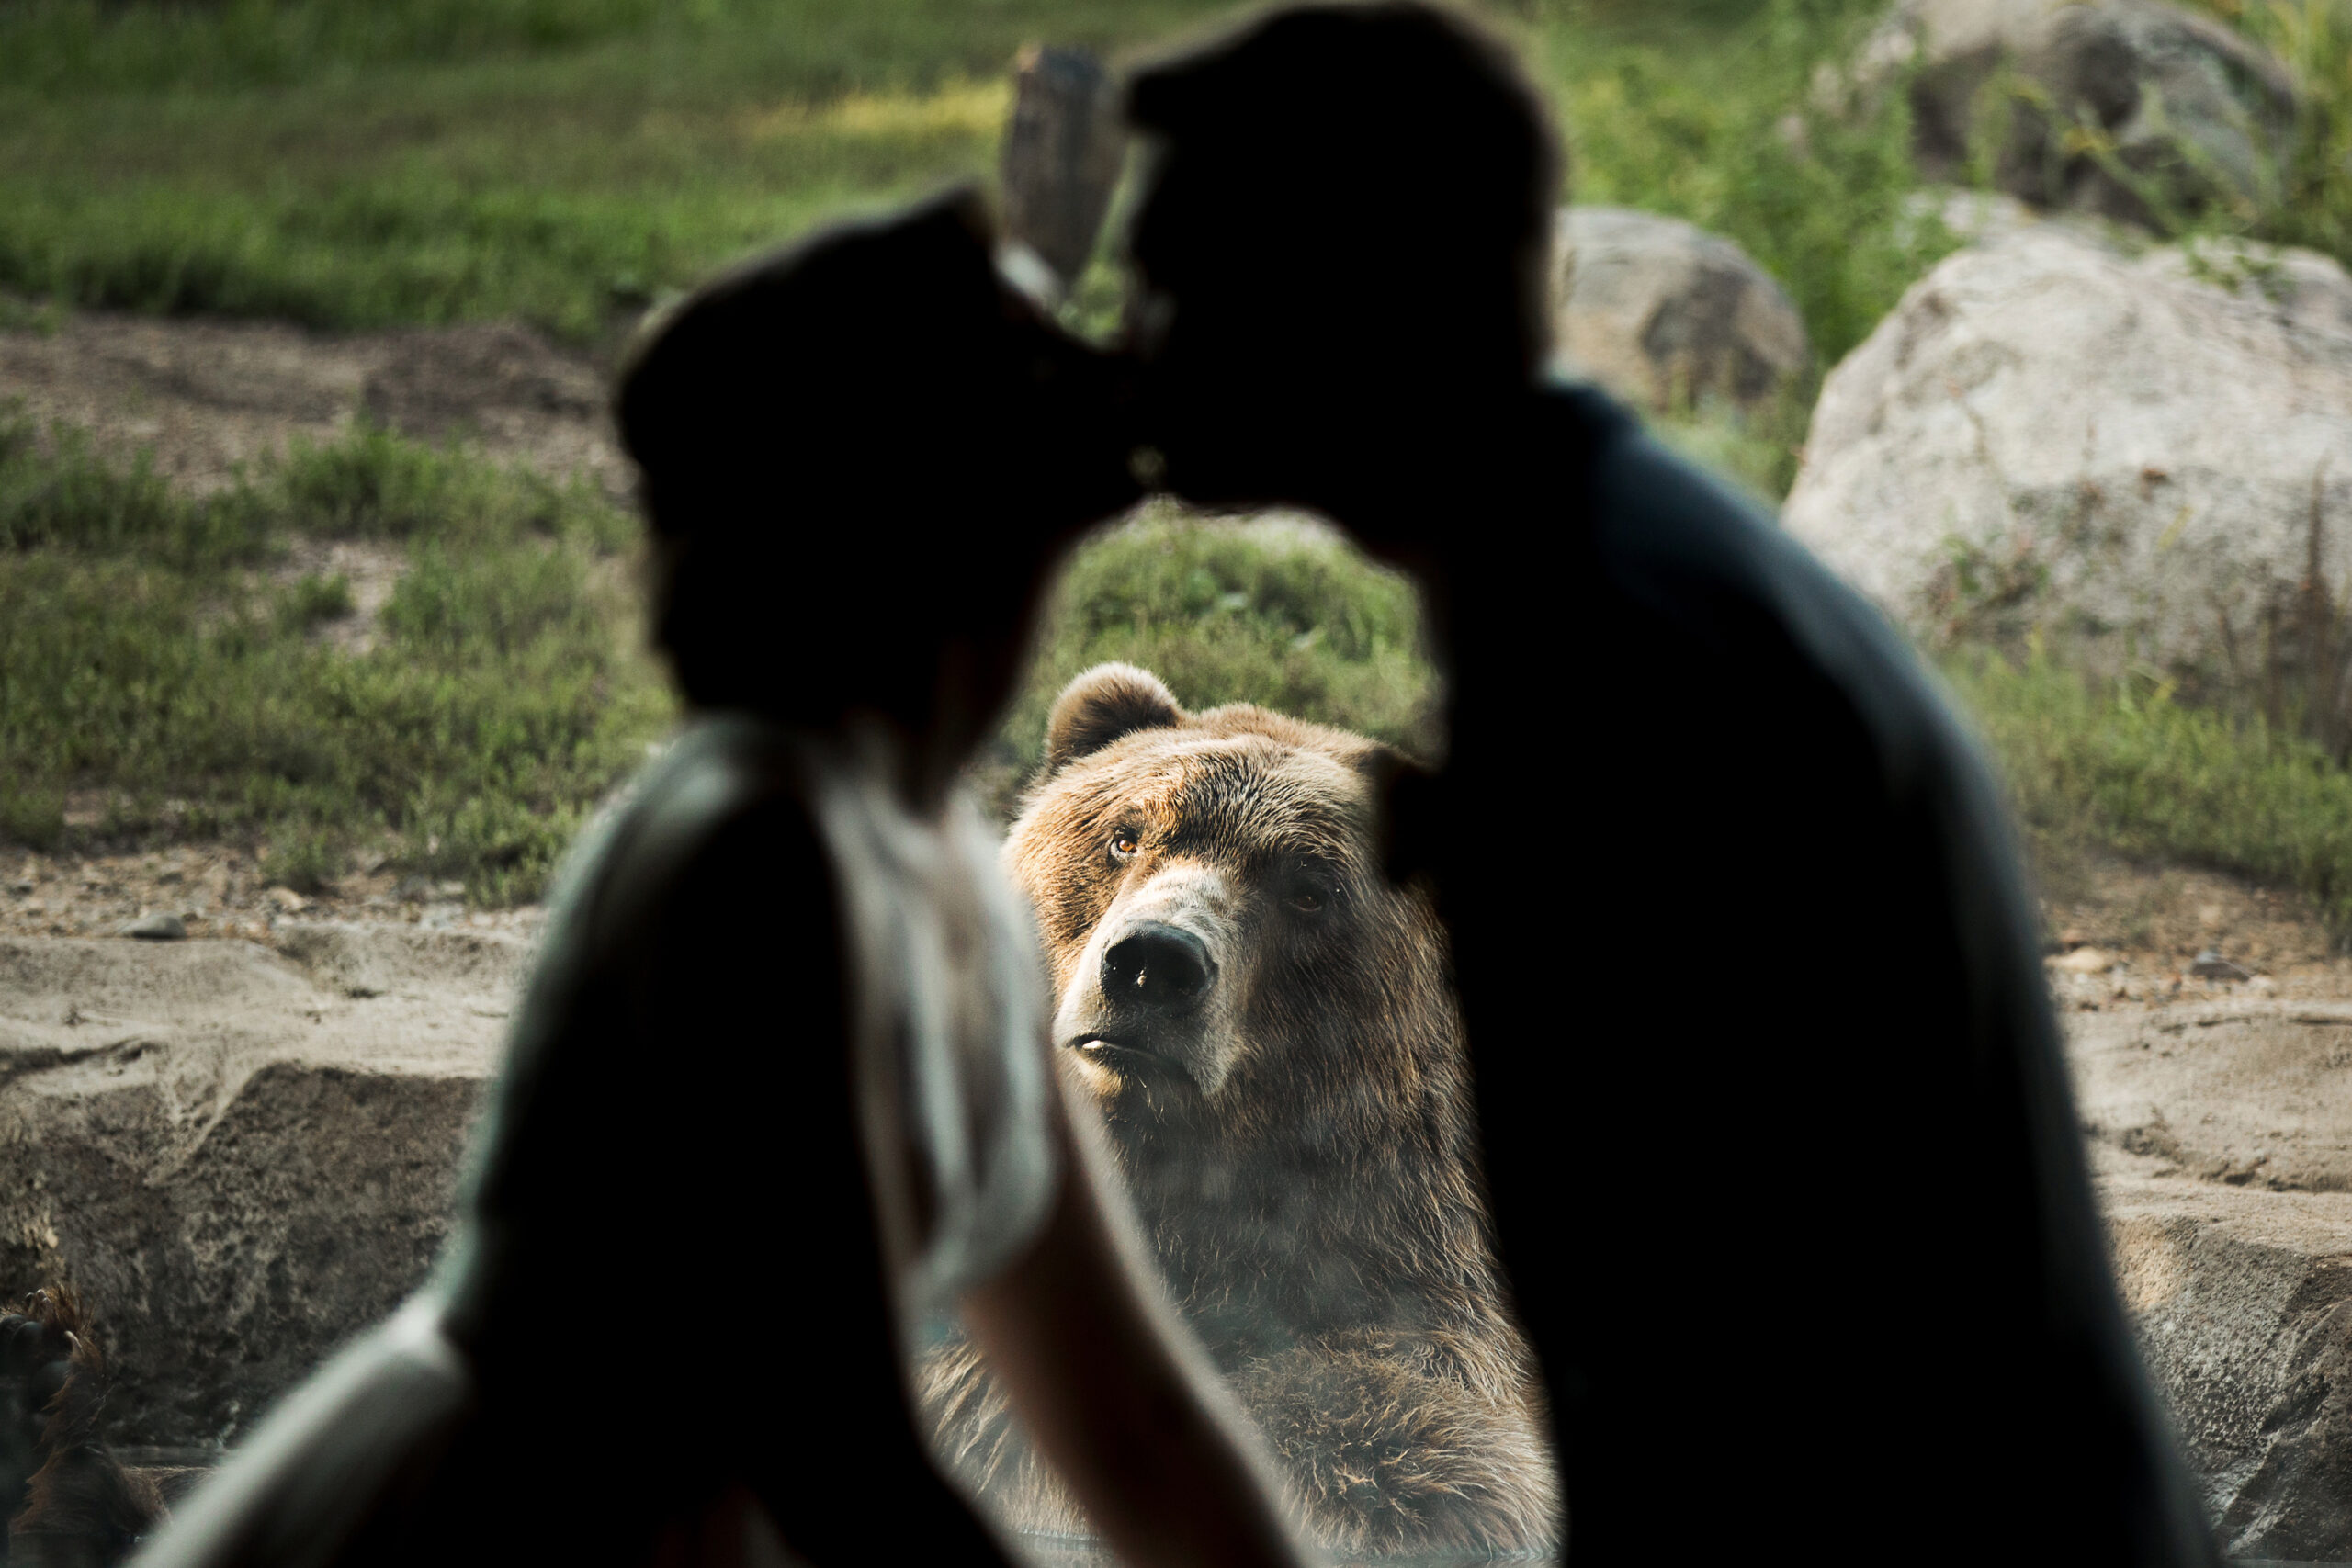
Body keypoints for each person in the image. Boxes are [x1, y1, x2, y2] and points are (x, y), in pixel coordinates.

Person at [1118, 5, 2223, 1563]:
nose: (1131, 341)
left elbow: (1667, 1341)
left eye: (1168, 285)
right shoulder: (1610, 570)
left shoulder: (1613, 661)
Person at [135, 192, 1316, 1568]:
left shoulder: (949, 876)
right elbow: (837, 1459)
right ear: (925, 540)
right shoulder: (753, 855)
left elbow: (1135, 1426)